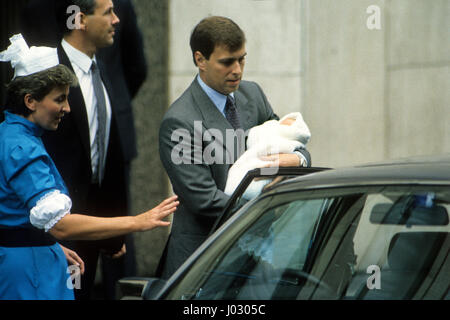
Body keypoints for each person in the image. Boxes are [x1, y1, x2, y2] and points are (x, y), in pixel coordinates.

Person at [0, 34, 178, 300]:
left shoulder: (8, 134)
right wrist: (137, 222)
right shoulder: (22, 148)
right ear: (30, 101)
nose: (68, 108)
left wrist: (49, 245)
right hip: (29, 275)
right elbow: (60, 225)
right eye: (60, 99)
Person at [158, 16, 312, 279]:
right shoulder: (179, 121)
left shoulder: (253, 94)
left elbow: (293, 145)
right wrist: (267, 210)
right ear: (200, 60)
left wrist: (296, 162)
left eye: (242, 59)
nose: (238, 70)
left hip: (257, 261)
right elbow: (205, 201)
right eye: (227, 62)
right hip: (204, 261)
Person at [20, 0, 148, 299]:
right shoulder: (45, 74)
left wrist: (113, 233)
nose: (117, 20)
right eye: (107, 13)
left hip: (89, 231)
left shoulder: (99, 70)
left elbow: (106, 160)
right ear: (80, 20)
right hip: (53, 234)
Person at [224, 112, 311, 200]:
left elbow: (297, 143)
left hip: (266, 194)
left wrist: (298, 159)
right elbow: (210, 198)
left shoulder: (256, 99)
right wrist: (258, 209)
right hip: (231, 207)